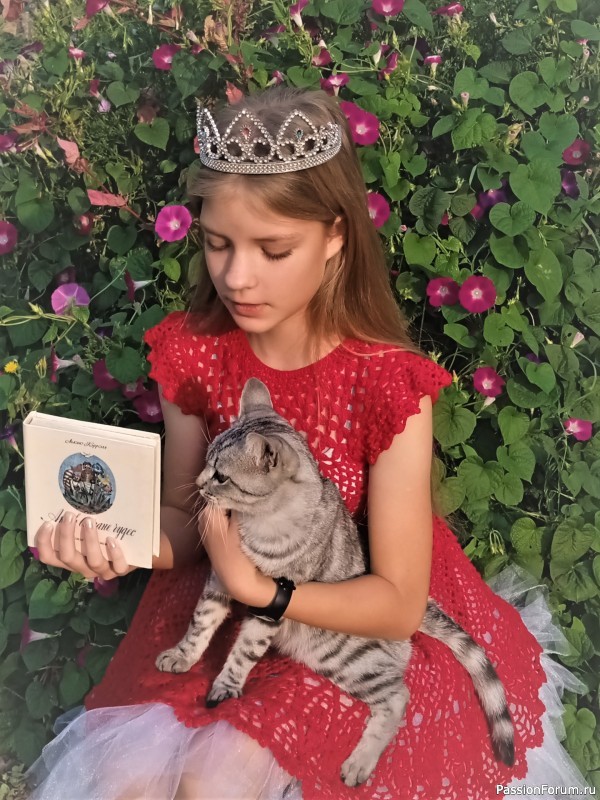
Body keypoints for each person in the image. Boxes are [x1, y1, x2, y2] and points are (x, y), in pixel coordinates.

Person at [28, 86, 590, 800]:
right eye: (217, 243)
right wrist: (116, 540)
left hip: (347, 616)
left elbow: (396, 604)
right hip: (224, 605)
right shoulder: (194, 355)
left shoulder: (385, 384)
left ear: (335, 237)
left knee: (214, 779)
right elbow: (185, 522)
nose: (237, 276)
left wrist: (260, 590)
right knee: (126, 780)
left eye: (273, 249)